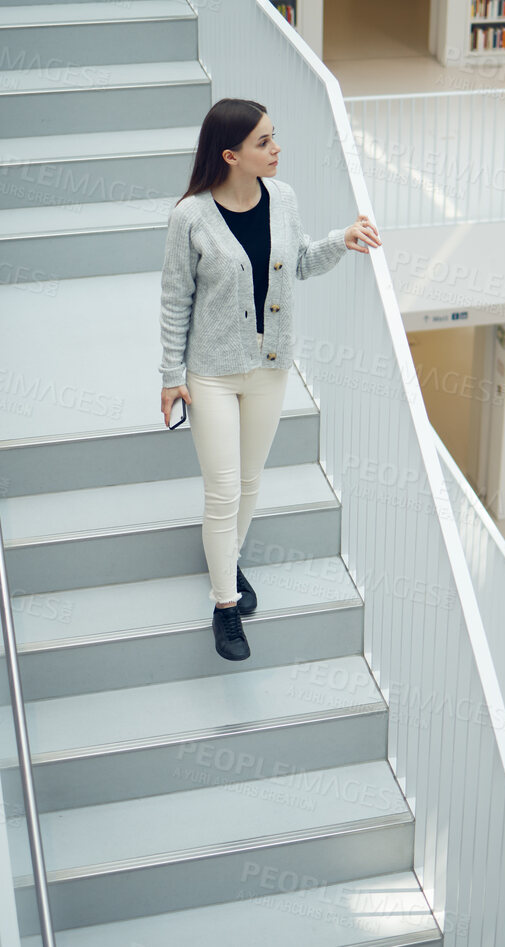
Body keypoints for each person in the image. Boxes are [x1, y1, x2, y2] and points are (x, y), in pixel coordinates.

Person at [157, 98, 382, 662]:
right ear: (231, 155)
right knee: (224, 489)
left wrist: (343, 238)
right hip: (210, 373)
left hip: (270, 367)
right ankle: (226, 608)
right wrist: (170, 375)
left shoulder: (283, 199)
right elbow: (174, 299)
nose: (276, 148)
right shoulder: (190, 217)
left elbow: (300, 261)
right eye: (264, 142)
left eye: (274, 137)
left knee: (251, 482)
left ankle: (226, 560)